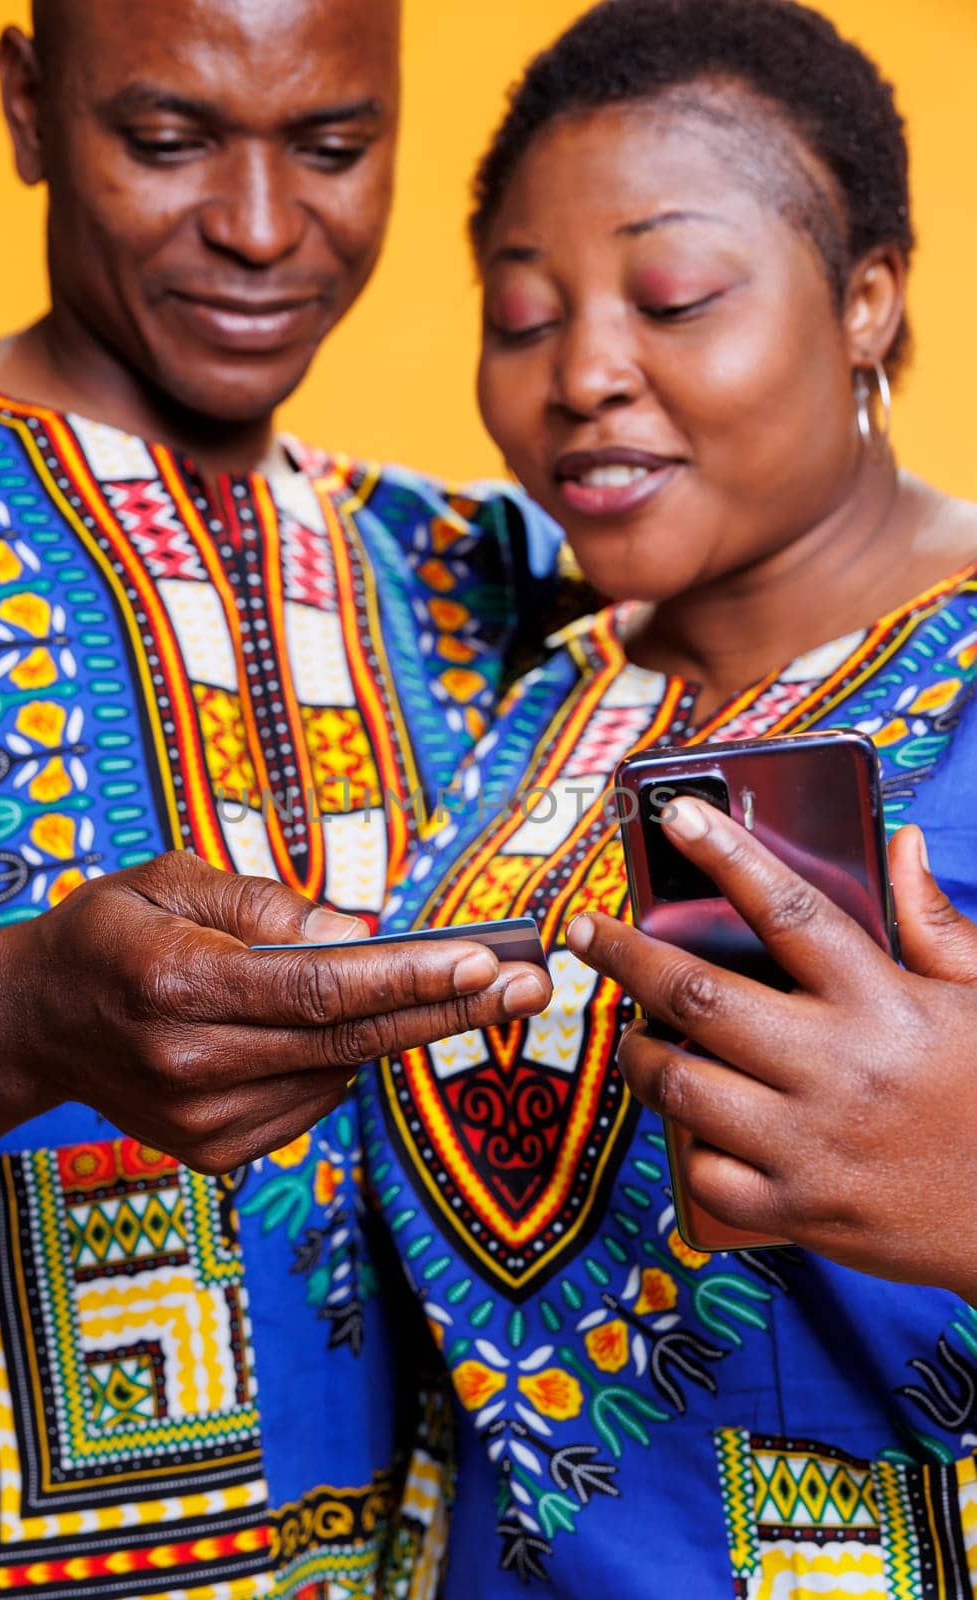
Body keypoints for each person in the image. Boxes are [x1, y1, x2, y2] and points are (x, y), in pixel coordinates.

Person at [0, 0, 558, 1594]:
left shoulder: (488, 571)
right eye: (169, 139)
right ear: (27, 103)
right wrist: (3, 1024)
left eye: (333, 148)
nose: (263, 231)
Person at [363, 1, 977, 1593]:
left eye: (675, 298)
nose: (581, 375)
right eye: (521, 315)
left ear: (865, 300)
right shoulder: (541, 691)